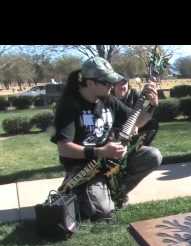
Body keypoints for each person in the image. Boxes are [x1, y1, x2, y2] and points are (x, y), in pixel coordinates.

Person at [51, 57, 161, 221]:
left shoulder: (109, 100)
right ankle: (77, 190)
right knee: (103, 213)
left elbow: (136, 121)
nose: (112, 85)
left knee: (153, 156)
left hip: (110, 162)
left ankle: (116, 193)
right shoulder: (69, 106)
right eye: (107, 82)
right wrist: (101, 151)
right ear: (90, 83)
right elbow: (64, 148)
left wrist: (152, 105)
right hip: (84, 168)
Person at [112, 75, 159, 146]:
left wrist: (152, 105)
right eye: (118, 83)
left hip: (134, 126)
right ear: (113, 85)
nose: (122, 87)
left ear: (128, 84)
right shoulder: (109, 98)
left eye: (124, 83)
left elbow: (142, 112)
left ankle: (141, 146)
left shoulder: (134, 95)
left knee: (152, 123)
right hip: (115, 130)